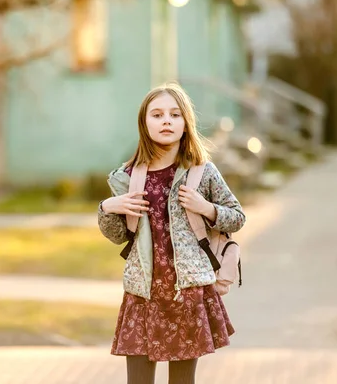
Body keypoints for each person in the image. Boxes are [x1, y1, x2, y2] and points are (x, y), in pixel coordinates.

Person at [97, 82, 246, 384]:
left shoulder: (202, 172)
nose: (166, 120)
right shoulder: (128, 176)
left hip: (186, 294)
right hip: (142, 294)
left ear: (185, 124)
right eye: (157, 114)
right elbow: (117, 235)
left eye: (175, 115)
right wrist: (108, 207)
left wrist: (206, 208)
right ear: (144, 123)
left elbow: (237, 217)